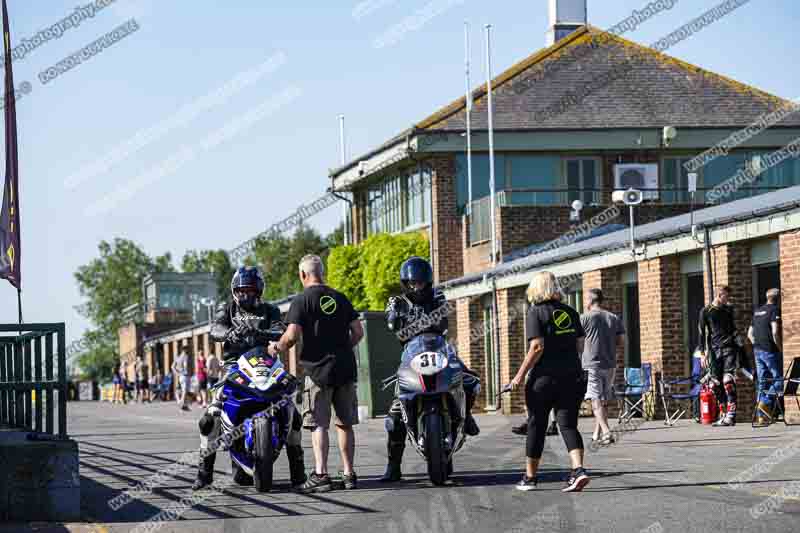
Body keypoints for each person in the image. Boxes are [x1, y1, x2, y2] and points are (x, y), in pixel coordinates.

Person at [193, 266, 306, 492]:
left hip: (266, 362)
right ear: (235, 291)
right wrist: (228, 333)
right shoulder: (227, 308)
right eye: (242, 291)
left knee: (292, 411)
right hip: (235, 366)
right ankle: (204, 473)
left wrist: (263, 334)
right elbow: (214, 329)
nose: (246, 295)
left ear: (260, 290)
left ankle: (298, 471)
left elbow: (280, 329)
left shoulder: (271, 310)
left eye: (251, 291)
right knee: (210, 418)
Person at [268, 255, 364, 493]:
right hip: (345, 368)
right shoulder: (340, 298)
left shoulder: (302, 300)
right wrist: (342, 348)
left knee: (319, 424)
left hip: (318, 371)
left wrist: (276, 348)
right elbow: (358, 331)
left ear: (303, 275)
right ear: (323, 272)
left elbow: (291, 336)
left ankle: (321, 475)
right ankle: (349, 474)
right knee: (344, 424)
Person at [380, 256, 481, 482]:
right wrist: (394, 315)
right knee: (395, 414)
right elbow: (391, 322)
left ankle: (468, 415)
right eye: (413, 283)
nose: (418, 287)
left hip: (440, 348)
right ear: (405, 283)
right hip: (411, 354)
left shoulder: (438, 296)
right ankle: (393, 466)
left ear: (428, 281)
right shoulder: (397, 301)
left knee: (471, 381)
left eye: (421, 282)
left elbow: (442, 318)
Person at [510, 271, 589, 492]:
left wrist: (518, 376)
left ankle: (530, 478)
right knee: (568, 425)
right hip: (572, 376)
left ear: (535, 289)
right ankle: (578, 470)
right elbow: (580, 344)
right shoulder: (571, 312)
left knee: (536, 425)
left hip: (543, 379)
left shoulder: (535, 312)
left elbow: (537, 346)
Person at [580, 289, 625, 445]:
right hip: (610, 364)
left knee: (596, 400)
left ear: (591, 301)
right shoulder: (613, 318)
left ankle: (606, 432)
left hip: (592, 364)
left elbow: (578, 342)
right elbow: (621, 342)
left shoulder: (584, 318)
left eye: (586, 299)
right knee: (603, 400)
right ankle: (596, 434)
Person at [699, 285, 741, 426]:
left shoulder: (728, 310)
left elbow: (733, 328)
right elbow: (702, 334)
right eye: (726, 296)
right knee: (714, 384)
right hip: (714, 350)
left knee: (728, 381)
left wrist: (739, 343)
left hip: (729, 348)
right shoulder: (706, 311)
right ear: (719, 295)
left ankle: (731, 415)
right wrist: (703, 354)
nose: (728, 299)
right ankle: (723, 413)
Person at [748, 288, 783, 426]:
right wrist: (779, 347)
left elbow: (749, 334)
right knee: (780, 379)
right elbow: (775, 331)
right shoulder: (774, 310)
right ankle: (765, 402)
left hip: (758, 350)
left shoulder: (757, 311)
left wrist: (757, 345)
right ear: (778, 298)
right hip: (770, 350)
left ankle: (761, 417)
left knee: (762, 382)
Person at [172, 347, 191, 412]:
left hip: (181, 376)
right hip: (185, 376)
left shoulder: (178, 357)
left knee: (184, 391)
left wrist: (177, 373)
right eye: (188, 349)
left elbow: (172, 367)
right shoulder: (185, 357)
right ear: (185, 350)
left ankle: (185, 406)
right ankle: (181, 405)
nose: (188, 351)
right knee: (184, 392)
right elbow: (186, 366)